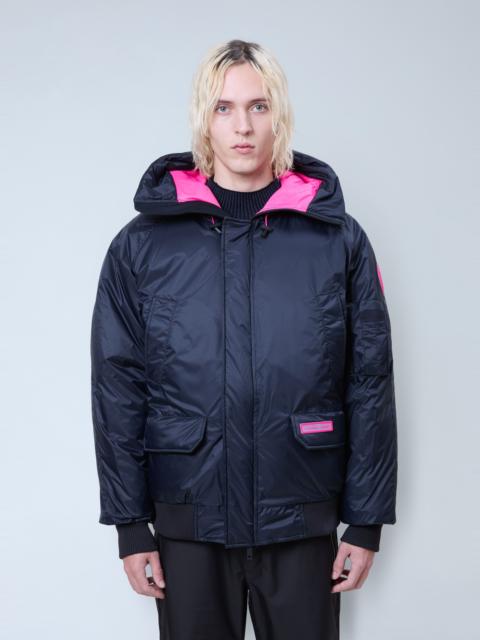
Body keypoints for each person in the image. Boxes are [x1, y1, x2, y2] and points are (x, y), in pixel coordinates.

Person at [90, 38, 398, 640]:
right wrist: (129, 524)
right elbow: (117, 386)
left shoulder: (337, 240)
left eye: (259, 106)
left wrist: (365, 522)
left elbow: (369, 381)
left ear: (278, 114)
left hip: (301, 512)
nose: (243, 127)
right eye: (224, 108)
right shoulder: (142, 245)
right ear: (203, 118)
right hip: (189, 518)